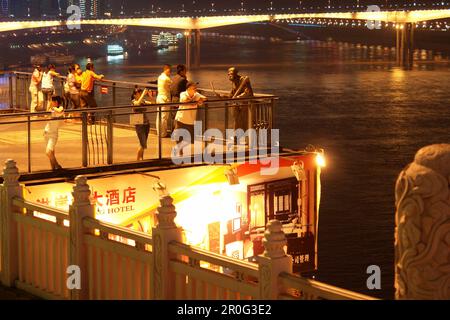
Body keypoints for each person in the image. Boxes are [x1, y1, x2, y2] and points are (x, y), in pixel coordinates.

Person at [173, 82, 207, 156]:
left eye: (195, 88)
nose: (195, 89)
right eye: (193, 88)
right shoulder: (183, 94)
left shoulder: (196, 94)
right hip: (181, 118)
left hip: (190, 120)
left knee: (189, 138)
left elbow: (204, 98)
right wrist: (196, 102)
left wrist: (200, 100)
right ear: (188, 89)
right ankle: (180, 151)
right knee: (177, 136)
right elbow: (185, 101)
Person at [224, 67, 254, 131]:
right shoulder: (234, 82)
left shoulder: (243, 80)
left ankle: (245, 137)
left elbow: (247, 92)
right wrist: (223, 96)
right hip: (238, 104)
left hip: (247, 104)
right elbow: (232, 94)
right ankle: (237, 136)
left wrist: (237, 97)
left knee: (245, 122)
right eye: (228, 74)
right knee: (237, 120)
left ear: (235, 74)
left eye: (231, 74)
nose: (229, 76)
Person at [44, 96, 65, 171]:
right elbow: (45, 116)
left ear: (55, 102)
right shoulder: (51, 109)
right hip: (47, 132)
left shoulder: (60, 108)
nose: (50, 102)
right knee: (51, 152)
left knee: (48, 152)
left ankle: (57, 165)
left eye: (51, 101)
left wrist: (52, 108)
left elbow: (60, 111)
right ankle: (53, 169)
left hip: (53, 134)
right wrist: (49, 107)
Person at [131, 88, 152, 161]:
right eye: (138, 93)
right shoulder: (133, 102)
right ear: (134, 95)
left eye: (140, 92)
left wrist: (150, 96)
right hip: (139, 124)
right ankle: (137, 160)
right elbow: (137, 104)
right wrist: (143, 94)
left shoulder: (143, 101)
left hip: (146, 123)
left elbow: (153, 103)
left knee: (143, 143)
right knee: (142, 143)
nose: (140, 94)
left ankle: (141, 159)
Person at [156, 64, 172, 138]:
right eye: (170, 70)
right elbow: (171, 88)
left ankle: (159, 132)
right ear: (167, 69)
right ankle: (163, 133)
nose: (170, 72)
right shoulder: (167, 78)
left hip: (159, 97)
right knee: (164, 117)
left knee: (159, 116)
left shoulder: (160, 77)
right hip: (165, 99)